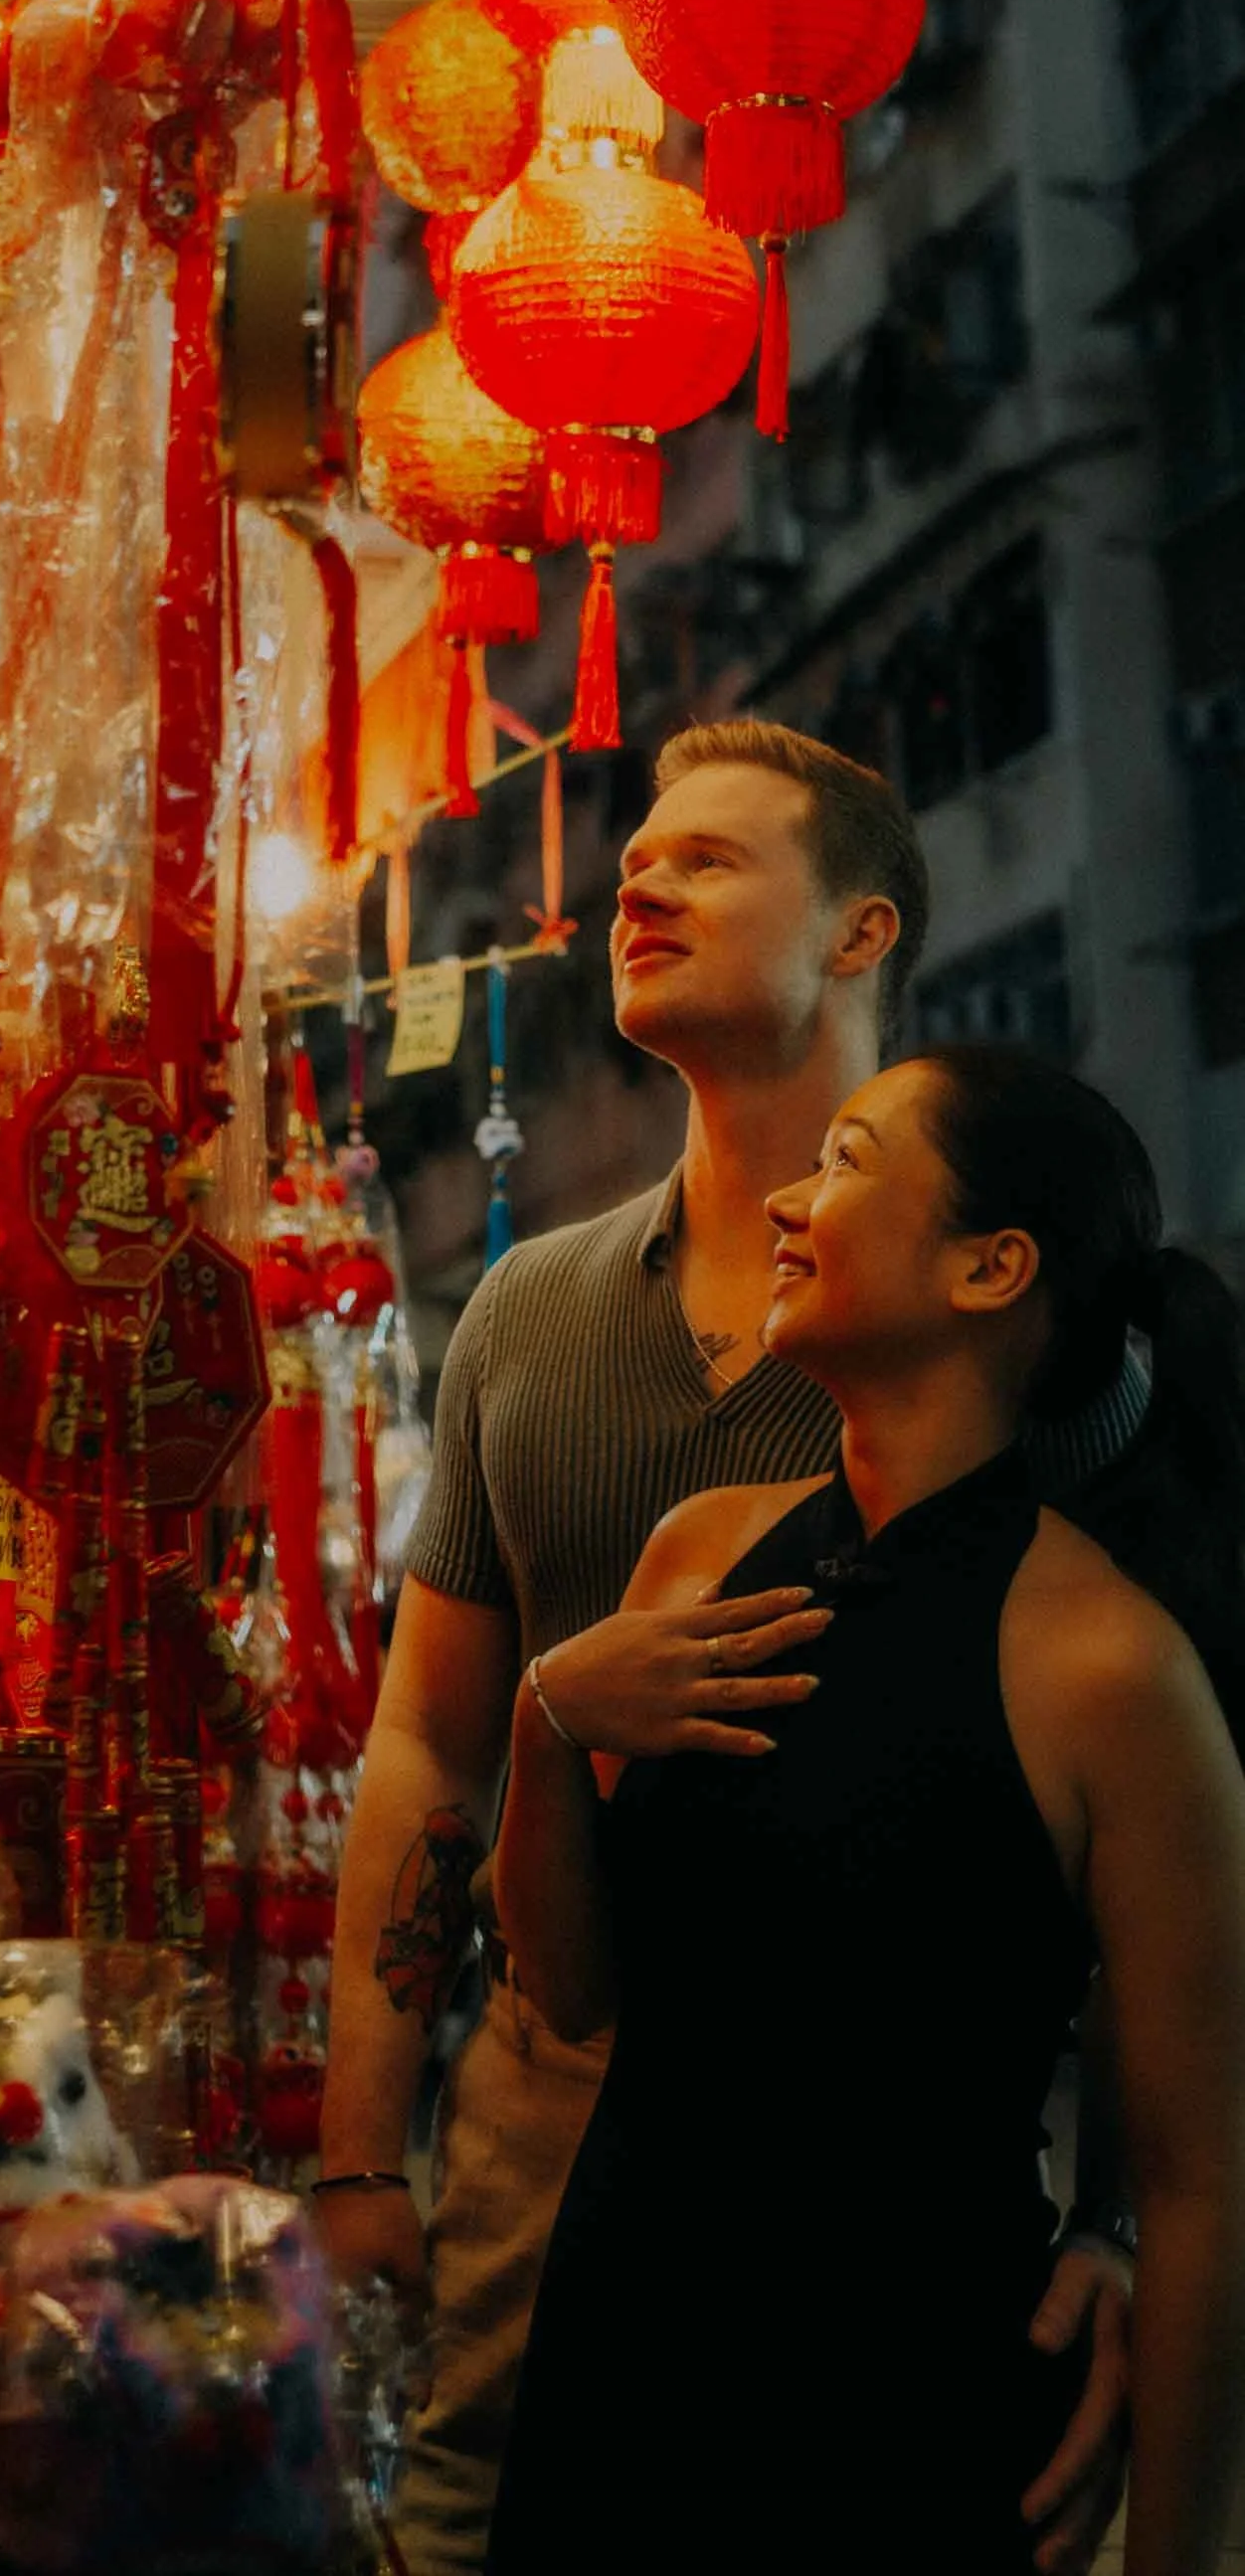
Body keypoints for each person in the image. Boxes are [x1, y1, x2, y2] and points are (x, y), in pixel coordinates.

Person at [314, 721, 1144, 2573]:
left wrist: (1124, 2222)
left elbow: (1151, 1819)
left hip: (865, 2136)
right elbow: (426, 1744)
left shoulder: (983, 1314)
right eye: (636, 862)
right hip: (546, 2093)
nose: (640, 882)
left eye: (708, 860)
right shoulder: (527, 1314)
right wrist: (364, 2152)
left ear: (860, 935)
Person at [487, 1042, 1245, 2576]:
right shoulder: (698, 1555)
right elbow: (570, 1994)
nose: (785, 1198)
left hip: (908, 2422)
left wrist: (1173, 2550)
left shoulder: (1107, 1664)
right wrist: (546, 1719)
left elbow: (1203, 2178)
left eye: (844, 1158)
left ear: (991, 1267)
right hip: (620, 2364)